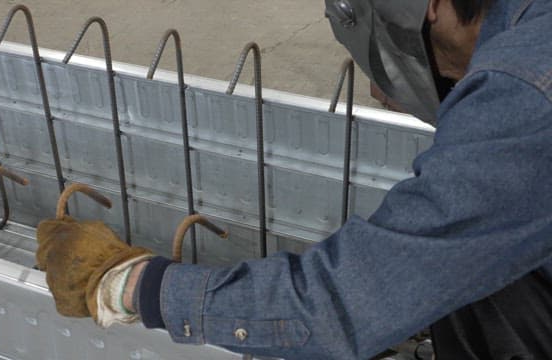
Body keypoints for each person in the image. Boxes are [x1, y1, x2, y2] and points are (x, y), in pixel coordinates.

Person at [35, 0, 552, 358]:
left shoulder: (524, 92)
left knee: (477, 288)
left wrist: (129, 286)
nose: (378, 90)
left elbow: (340, 304)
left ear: (428, 7)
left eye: (391, 43)